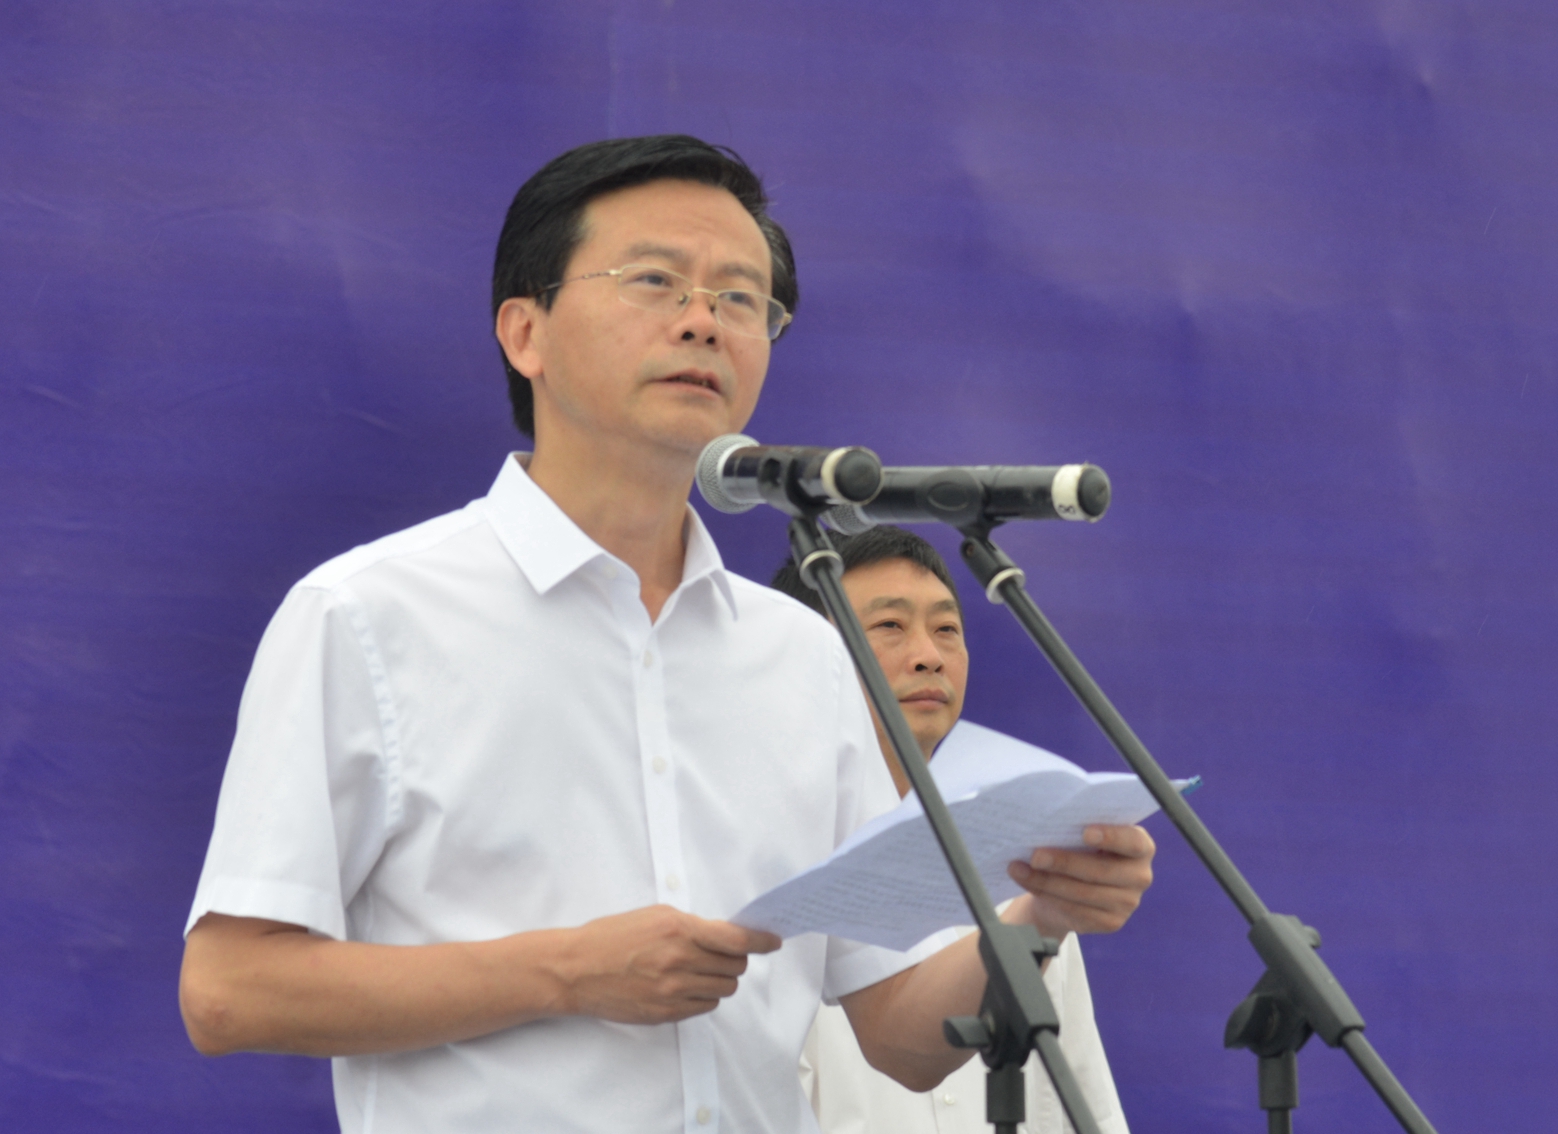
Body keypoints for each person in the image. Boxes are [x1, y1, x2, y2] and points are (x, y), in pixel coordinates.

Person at [178, 134, 1155, 1134]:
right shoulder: (367, 615)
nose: (703, 321)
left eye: (741, 298)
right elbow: (227, 990)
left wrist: (1043, 913)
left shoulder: (805, 655)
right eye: (655, 281)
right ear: (525, 332)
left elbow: (897, 1034)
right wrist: (567, 971)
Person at [772, 527, 1131, 1134]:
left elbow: (1081, 1107)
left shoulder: (1028, 876)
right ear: (801, 657)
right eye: (890, 625)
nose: (928, 656)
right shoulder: (771, 870)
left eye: (946, 630)